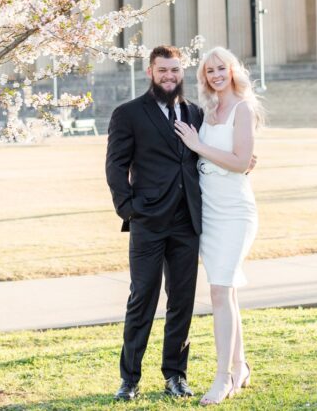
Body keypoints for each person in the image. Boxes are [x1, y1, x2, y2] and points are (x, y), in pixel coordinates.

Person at [105, 45, 205, 401]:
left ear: (182, 73)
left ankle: (175, 375)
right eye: (163, 70)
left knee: (182, 301)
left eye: (175, 70)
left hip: (186, 222)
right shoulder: (129, 113)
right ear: (150, 72)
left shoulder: (195, 112)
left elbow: (200, 160)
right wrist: (129, 209)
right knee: (142, 298)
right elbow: (115, 166)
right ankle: (129, 379)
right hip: (148, 220)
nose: (169, 76)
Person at [173, 46, 261, 406]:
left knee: (219, 291)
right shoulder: (206, 110)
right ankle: (240, 367)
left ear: (232, 69)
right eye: (209, 71)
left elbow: (241, 162)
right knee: (228, 292)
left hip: (235, 211)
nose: (215, 75)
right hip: (207, 210)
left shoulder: (243, 108)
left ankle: (222, 377)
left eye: (221, 68)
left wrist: (197, 145)